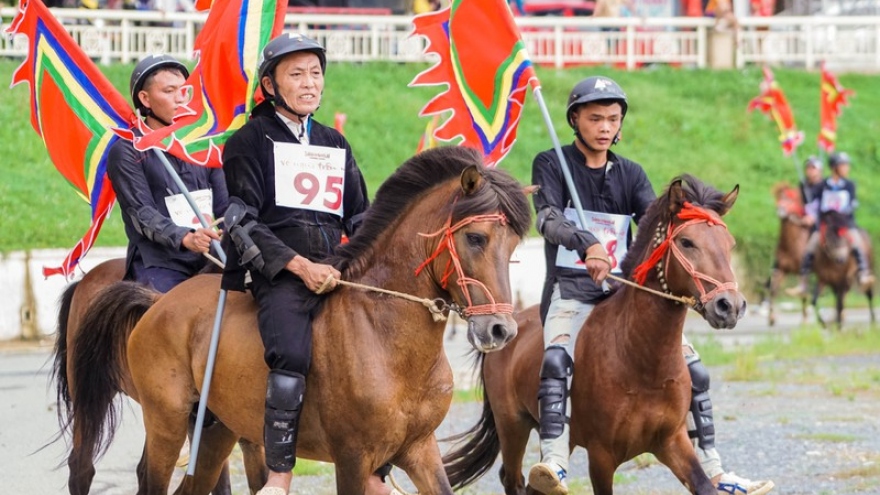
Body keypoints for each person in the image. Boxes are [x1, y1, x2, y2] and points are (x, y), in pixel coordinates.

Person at [526, 75, 775, 495]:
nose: (604, 127)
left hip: (619, 293)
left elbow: (659, 224)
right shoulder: (551, 164)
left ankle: (714, 468)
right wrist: (586, 244)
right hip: (570, 291)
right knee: (556, 359)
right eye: (594, 118)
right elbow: (547, 219)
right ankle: (554, 459)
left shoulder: (631, 174)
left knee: (694, 367)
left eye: (612, 119)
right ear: (574, 120)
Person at [220, 33, 397, 495]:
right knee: (291, 353)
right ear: (270, 84)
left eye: (315, 73)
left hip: (338, 268)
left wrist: (362, 262)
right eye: (296, 74)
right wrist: (299, 266)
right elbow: (241, 219)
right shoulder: (248, 141)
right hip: (280, 272)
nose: (309, 83)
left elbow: (361, 215)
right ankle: (279, 473)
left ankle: (378, 473)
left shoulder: (334, 141)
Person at [107, 54, 227, 294]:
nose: (180, 99)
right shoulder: (127, 150)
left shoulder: (204, 143)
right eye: (170, 91)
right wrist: (185, 237)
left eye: (185, 91)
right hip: (159, 262)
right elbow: (142, 214)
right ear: (145, 99)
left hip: (210, 253)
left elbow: (225, 203)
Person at [793, 151, 873, 295]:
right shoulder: (822, 185)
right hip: (825, 226)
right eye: (844, 165)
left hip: (845, 225)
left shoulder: (849, 185)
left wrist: (842, 211)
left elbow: (852, 204)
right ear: (835, 167)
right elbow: (814, 204)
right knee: (810, 247)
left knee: (857, 243)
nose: (847, 168)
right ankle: (803, 283)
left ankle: (863, 274)